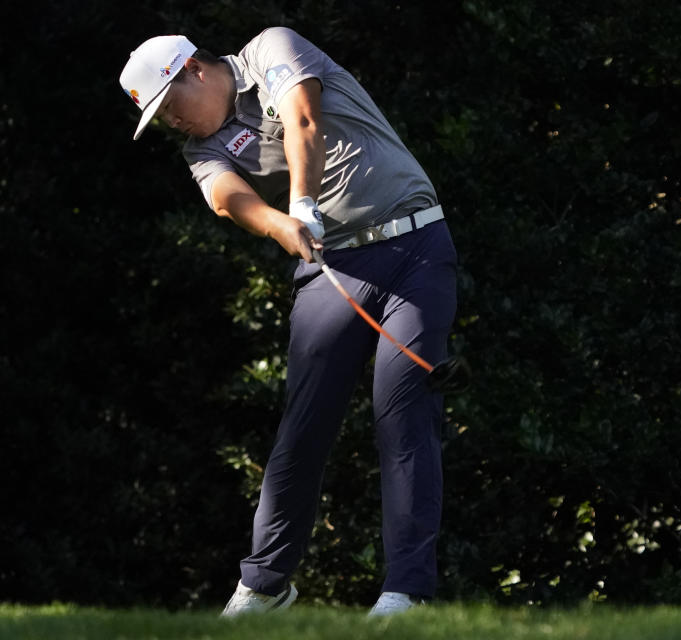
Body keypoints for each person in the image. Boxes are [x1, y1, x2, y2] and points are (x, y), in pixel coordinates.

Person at [119, 27, 458, 617]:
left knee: (401, 409)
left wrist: (301, 202)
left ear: (194, 70)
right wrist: (279, 225)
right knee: (304, 425)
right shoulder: (202, 147)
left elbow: (302, 116)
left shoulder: (271, 49)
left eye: (171, 106)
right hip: (334, 270)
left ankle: (406, 592)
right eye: (162, 119)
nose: (173, 123)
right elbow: (227, 197)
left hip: (416, 246)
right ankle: (266, 584)